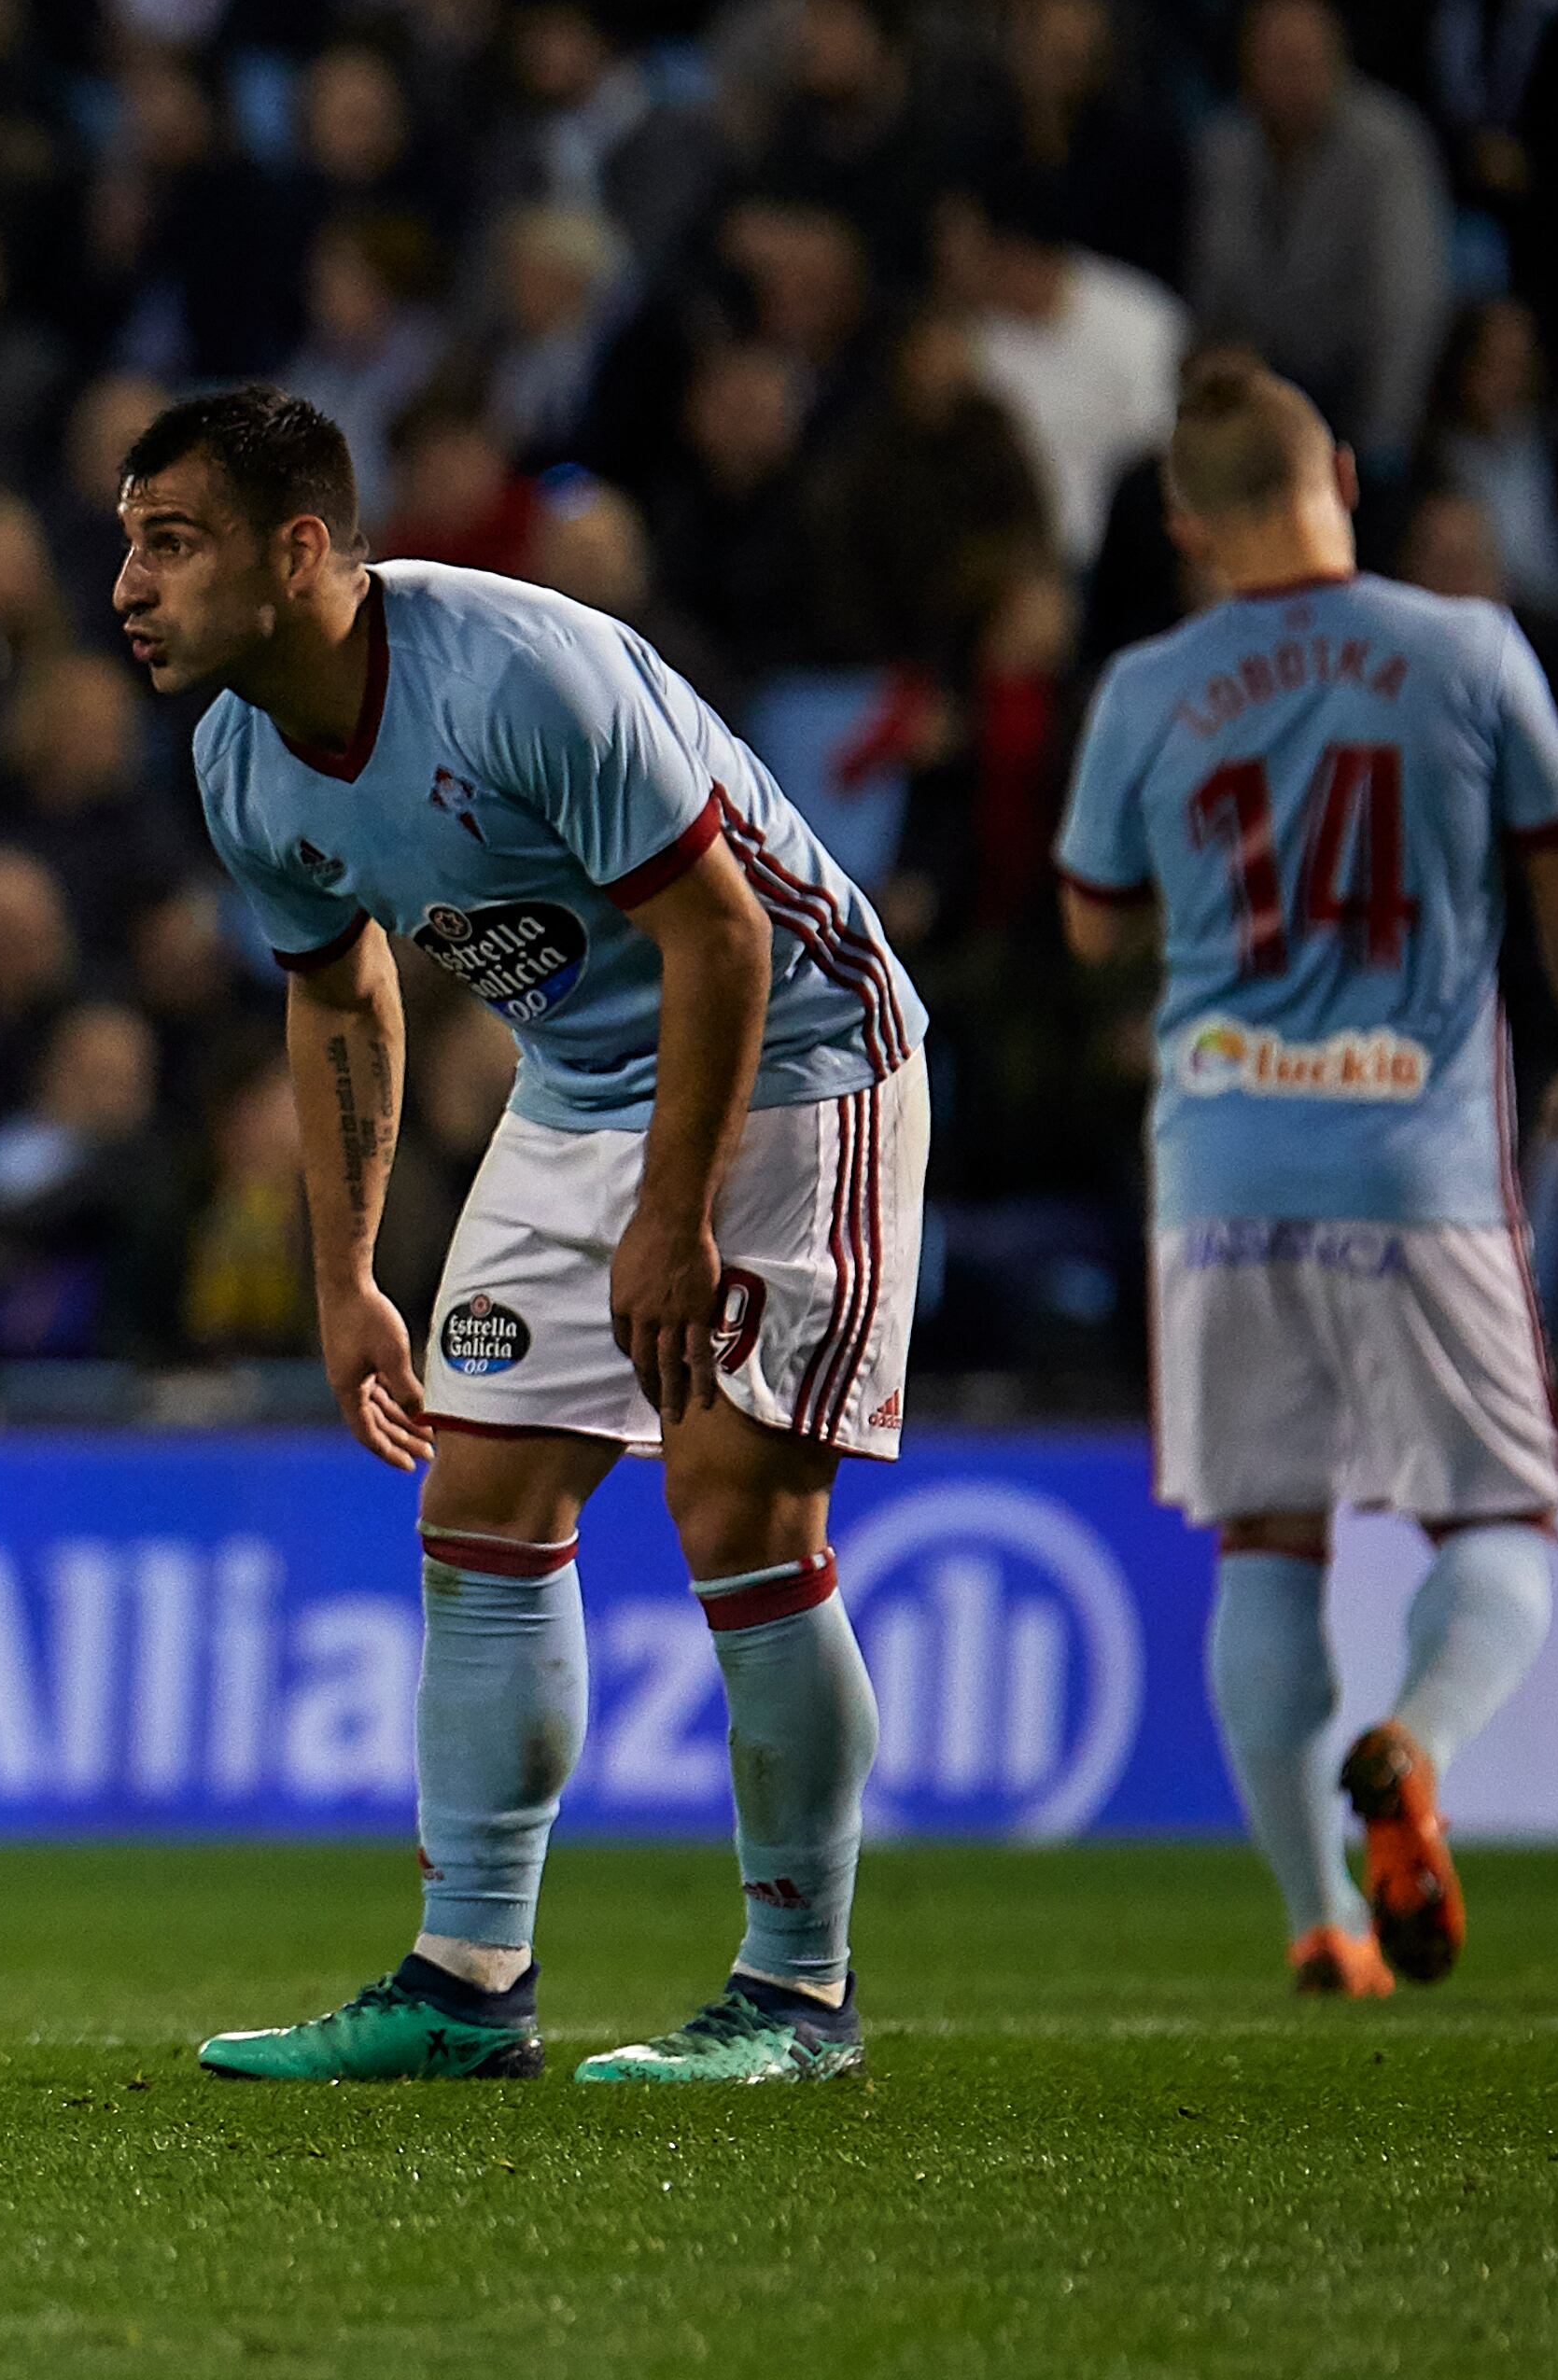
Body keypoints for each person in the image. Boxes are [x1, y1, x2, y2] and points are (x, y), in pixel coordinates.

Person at [118, 385, 926, 2086]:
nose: (130, 584)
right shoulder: (241, 759)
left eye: (172, 543)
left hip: (796, 1056)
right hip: (583, 1082)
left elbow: (723, 940)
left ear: (304, 549)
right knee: (480, 1494)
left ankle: (800, 1994)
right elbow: (341, 995)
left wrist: (672, 1216)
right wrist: (345, 1276)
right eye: (128, 544)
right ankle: (467, 1982)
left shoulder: (517, 670)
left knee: (732, 1493)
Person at [1052, 356, 1558, 1998]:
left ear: (1186, 525)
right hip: (1414, 1158)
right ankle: (1413, 1739)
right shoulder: (1465, 651)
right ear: (1345, 480)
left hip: (1224, 1159)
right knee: (1497, 1518)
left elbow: (1093, 918)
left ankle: (1319, 1918)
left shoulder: (1151, 688)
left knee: (1267, 1539)